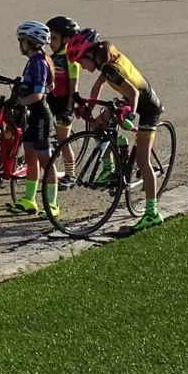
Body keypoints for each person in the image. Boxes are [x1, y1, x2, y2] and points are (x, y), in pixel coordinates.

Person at [65, 28, 165, 233]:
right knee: (98, 124)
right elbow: (97, 87)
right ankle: (113, 161)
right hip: (130, 100)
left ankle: (152, 213)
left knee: (143, 161)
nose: (81, 67)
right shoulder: (105, 63)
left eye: (81, 61)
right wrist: (89, 109)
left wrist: (129, 117)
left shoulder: (111, 68)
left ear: (90, 55)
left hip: (148, 108)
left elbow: (134, 93)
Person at [5, 21, 57, 219]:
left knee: (46, 160)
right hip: (32, 116)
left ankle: (52, 203)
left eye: (22, 41)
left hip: (41, 116)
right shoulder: (32, 61)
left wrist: (20, 102)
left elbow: (38, 95)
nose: (20, 44)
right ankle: (29, 198)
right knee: (29, 156)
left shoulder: (40, 63)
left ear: (31, 42)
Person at [45, 16, 82, 189]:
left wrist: (69, 108)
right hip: (50, 102)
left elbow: (73, 85)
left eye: (54, 38)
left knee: (63, 141)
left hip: (63, 105)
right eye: (49, 38)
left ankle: (71, 175)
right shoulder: (52, 56)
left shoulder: (70, 59)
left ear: (66, 39)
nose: (50, 42)